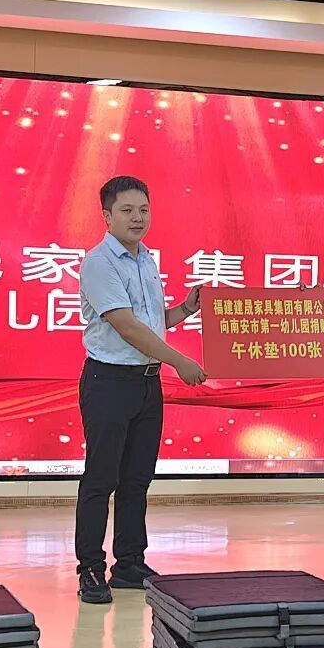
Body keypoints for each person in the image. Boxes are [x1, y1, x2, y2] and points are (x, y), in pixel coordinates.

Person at [75, 175, 207, 605]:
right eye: (127, 210)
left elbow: (151, 322)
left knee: (136, 478)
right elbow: (126, 326)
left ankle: (129, 563)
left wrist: (185, 308)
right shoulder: (99, 262)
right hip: (109, 382)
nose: (137, 218)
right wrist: (179, 361)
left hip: (147, 384)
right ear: (107, 216)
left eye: (144, 210)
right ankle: (90, 568)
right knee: (101, 478)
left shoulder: (145, 259)